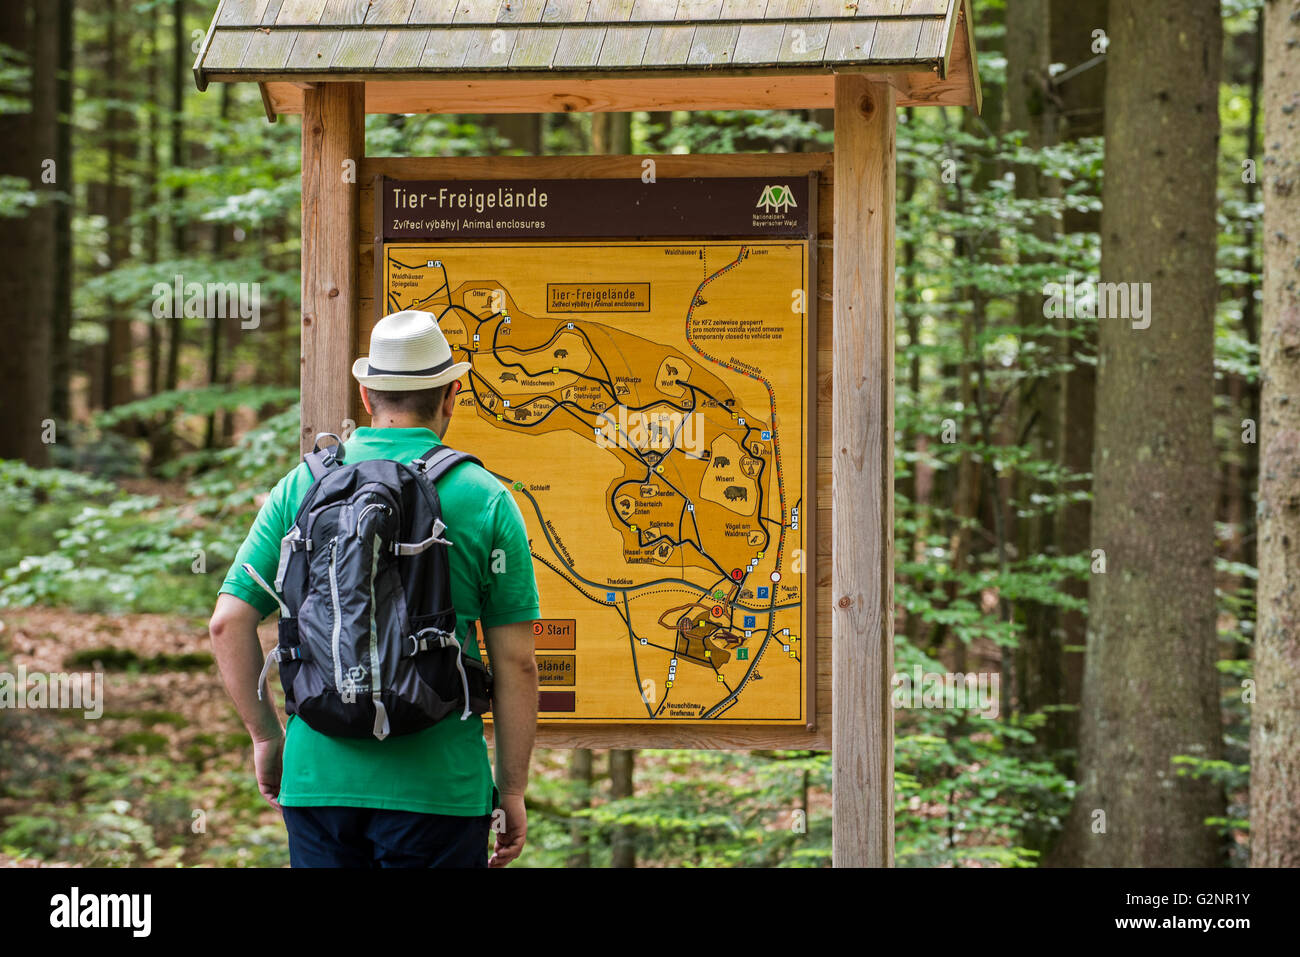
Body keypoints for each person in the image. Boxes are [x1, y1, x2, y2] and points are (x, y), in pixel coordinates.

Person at [208, 310, 539, 868]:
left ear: (366, 395)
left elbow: (227, 622)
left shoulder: (304, 485)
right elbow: (518, 664)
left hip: (319, 781)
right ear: (451, 395)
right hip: (441, 789)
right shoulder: (485, 497)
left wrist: (266, 737)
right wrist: (510, 790)